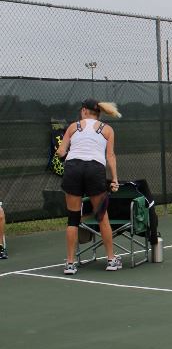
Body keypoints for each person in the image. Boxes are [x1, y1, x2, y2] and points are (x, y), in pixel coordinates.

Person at [56, 99, 123, 274]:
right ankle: (111, 260)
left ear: (85, 111)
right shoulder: (107, 130)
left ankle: (70, 264)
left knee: (73, 219)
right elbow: (111, 156)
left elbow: (61, 152)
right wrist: (114, 179)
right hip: (95, 170)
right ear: (98, 112)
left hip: (73, 169)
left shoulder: (73, 127)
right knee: (102, 217)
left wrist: (65, 156)